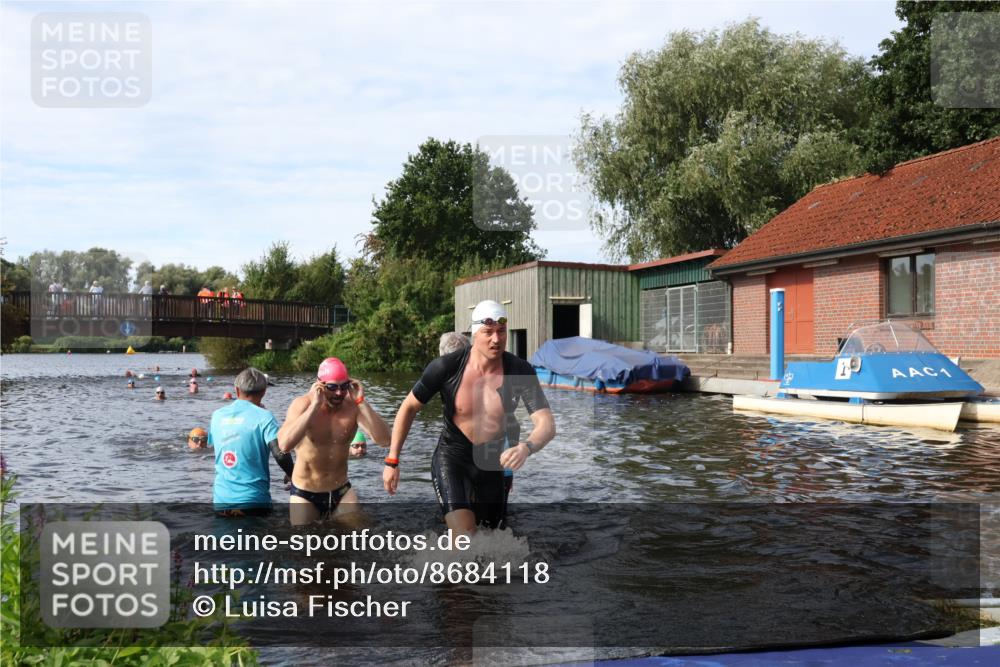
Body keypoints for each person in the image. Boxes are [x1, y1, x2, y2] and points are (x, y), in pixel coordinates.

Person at [385, 300, 555, 534]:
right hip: (453, 457)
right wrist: (392, 460)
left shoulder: (520, 371)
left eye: (502, 332)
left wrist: (526, 447)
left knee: (494, 542)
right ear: (475, 333)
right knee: (464, 537)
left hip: (491, 463)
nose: (496, 339)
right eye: (488, 332)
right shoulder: (446, 367)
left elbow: (546, 424)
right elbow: (408, 408)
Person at [278, 358, 391, 525]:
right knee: (304, 546)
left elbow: (385, 440)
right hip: (305, 493)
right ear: (320, 384)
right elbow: (284, 445)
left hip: (341, 491)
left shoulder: (353, 407)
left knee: (360, 540)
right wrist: (314, 407)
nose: (339, 393)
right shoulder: (302, 405)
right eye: (332, 387)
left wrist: (361, 402)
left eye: (344, 387)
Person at [210, 368, 294, 517]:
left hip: (221, 502)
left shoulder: (217, 416)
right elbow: (280, 454)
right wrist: (292, 474)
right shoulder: (264, 417)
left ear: (237, 390)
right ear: (263, 392)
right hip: (254, 501)